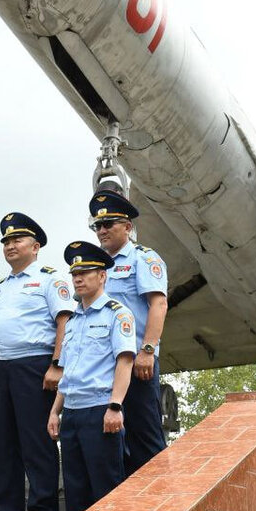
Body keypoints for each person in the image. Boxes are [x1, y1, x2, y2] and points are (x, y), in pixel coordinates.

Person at [0, 213, 74, 511]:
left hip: (35, 366)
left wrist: (57, 364)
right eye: (6, 241)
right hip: (2, 369)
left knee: (36, 442)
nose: (10, 245)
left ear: (35, 246)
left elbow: (64, 321)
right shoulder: (1, 288)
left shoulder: (50, 280)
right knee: (5, 446)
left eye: (17, 240)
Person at [47, 241, 136, 511]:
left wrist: (116, 406)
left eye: (86, 272)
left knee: (106, 489)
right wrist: (55, 410)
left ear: (102, 276)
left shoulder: (117, 314)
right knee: (76, 492)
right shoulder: (73, 321)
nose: (78, 278)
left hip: (100, 410)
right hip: (72, 412)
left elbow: (125, 361)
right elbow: (68, 370)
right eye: (75, 274)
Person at [89, 190, 169, 476]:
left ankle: (160, 506)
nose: (102, 230)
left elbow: (158, 303)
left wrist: (148, 350)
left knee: (144, 438)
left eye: (108, 224)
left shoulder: (142, 258)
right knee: (109, 442)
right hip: (102, 367)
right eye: (97, 225)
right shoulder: (95, 267)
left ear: (128, 226)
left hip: (136, 362)